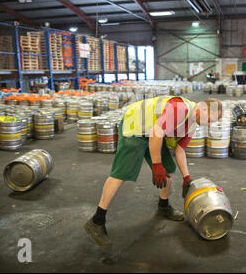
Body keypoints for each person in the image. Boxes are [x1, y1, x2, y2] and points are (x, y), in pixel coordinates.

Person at [84, 95, 223, 248]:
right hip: (135, 126)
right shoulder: (179, 109)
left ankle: (163, 207)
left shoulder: (192, 124)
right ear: (202, 109)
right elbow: (156, 133)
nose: (209, 125)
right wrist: (156, 164)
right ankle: (96, 221)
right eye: (210, 120)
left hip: (152, 132)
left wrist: (186, 177)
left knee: (169, 169)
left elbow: (180, 150)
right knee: (121, 173)